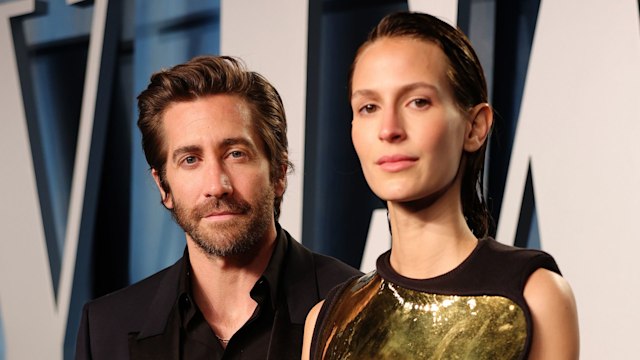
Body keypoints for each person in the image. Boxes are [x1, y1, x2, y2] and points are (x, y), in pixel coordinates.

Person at [303, 12, 579, 359]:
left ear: (475, 126)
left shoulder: (535, 295)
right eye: (369, 106)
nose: (389, 129)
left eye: (418, 102)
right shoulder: (327, 320)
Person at [75, 55, 360, 359]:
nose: (216, 186)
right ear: (163, 187)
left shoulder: (356, 308)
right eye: (190, 160)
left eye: (236, 154)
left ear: (278, 172)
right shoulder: (107, 328)